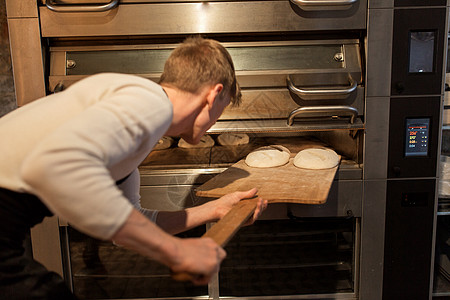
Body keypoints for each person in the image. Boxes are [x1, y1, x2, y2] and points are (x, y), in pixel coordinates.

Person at [0, 36, 267, 299]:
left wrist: (214, 210)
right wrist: (176, 251)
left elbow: (131, 229)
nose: (215, 122)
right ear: (214, 95)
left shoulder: (136, 127)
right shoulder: (150, 102)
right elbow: (59, 162)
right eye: (222, 110)